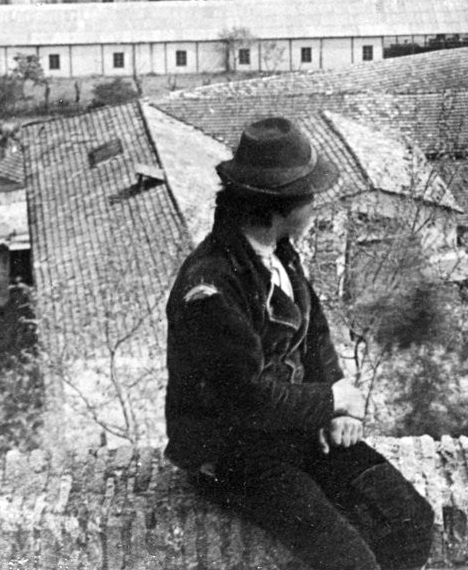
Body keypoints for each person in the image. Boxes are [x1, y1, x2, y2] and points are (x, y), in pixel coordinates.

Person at [165, 116, 434, 570]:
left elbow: (316, 334)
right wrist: (328, 400)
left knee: (410, 520)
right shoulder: (211, 287)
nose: (314, 207)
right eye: (309, 197)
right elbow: (245, 399)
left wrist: (339, 409)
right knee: (349, 561)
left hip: (294, 429)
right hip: (233, 452)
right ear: (279, 205)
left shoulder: (279, 253)